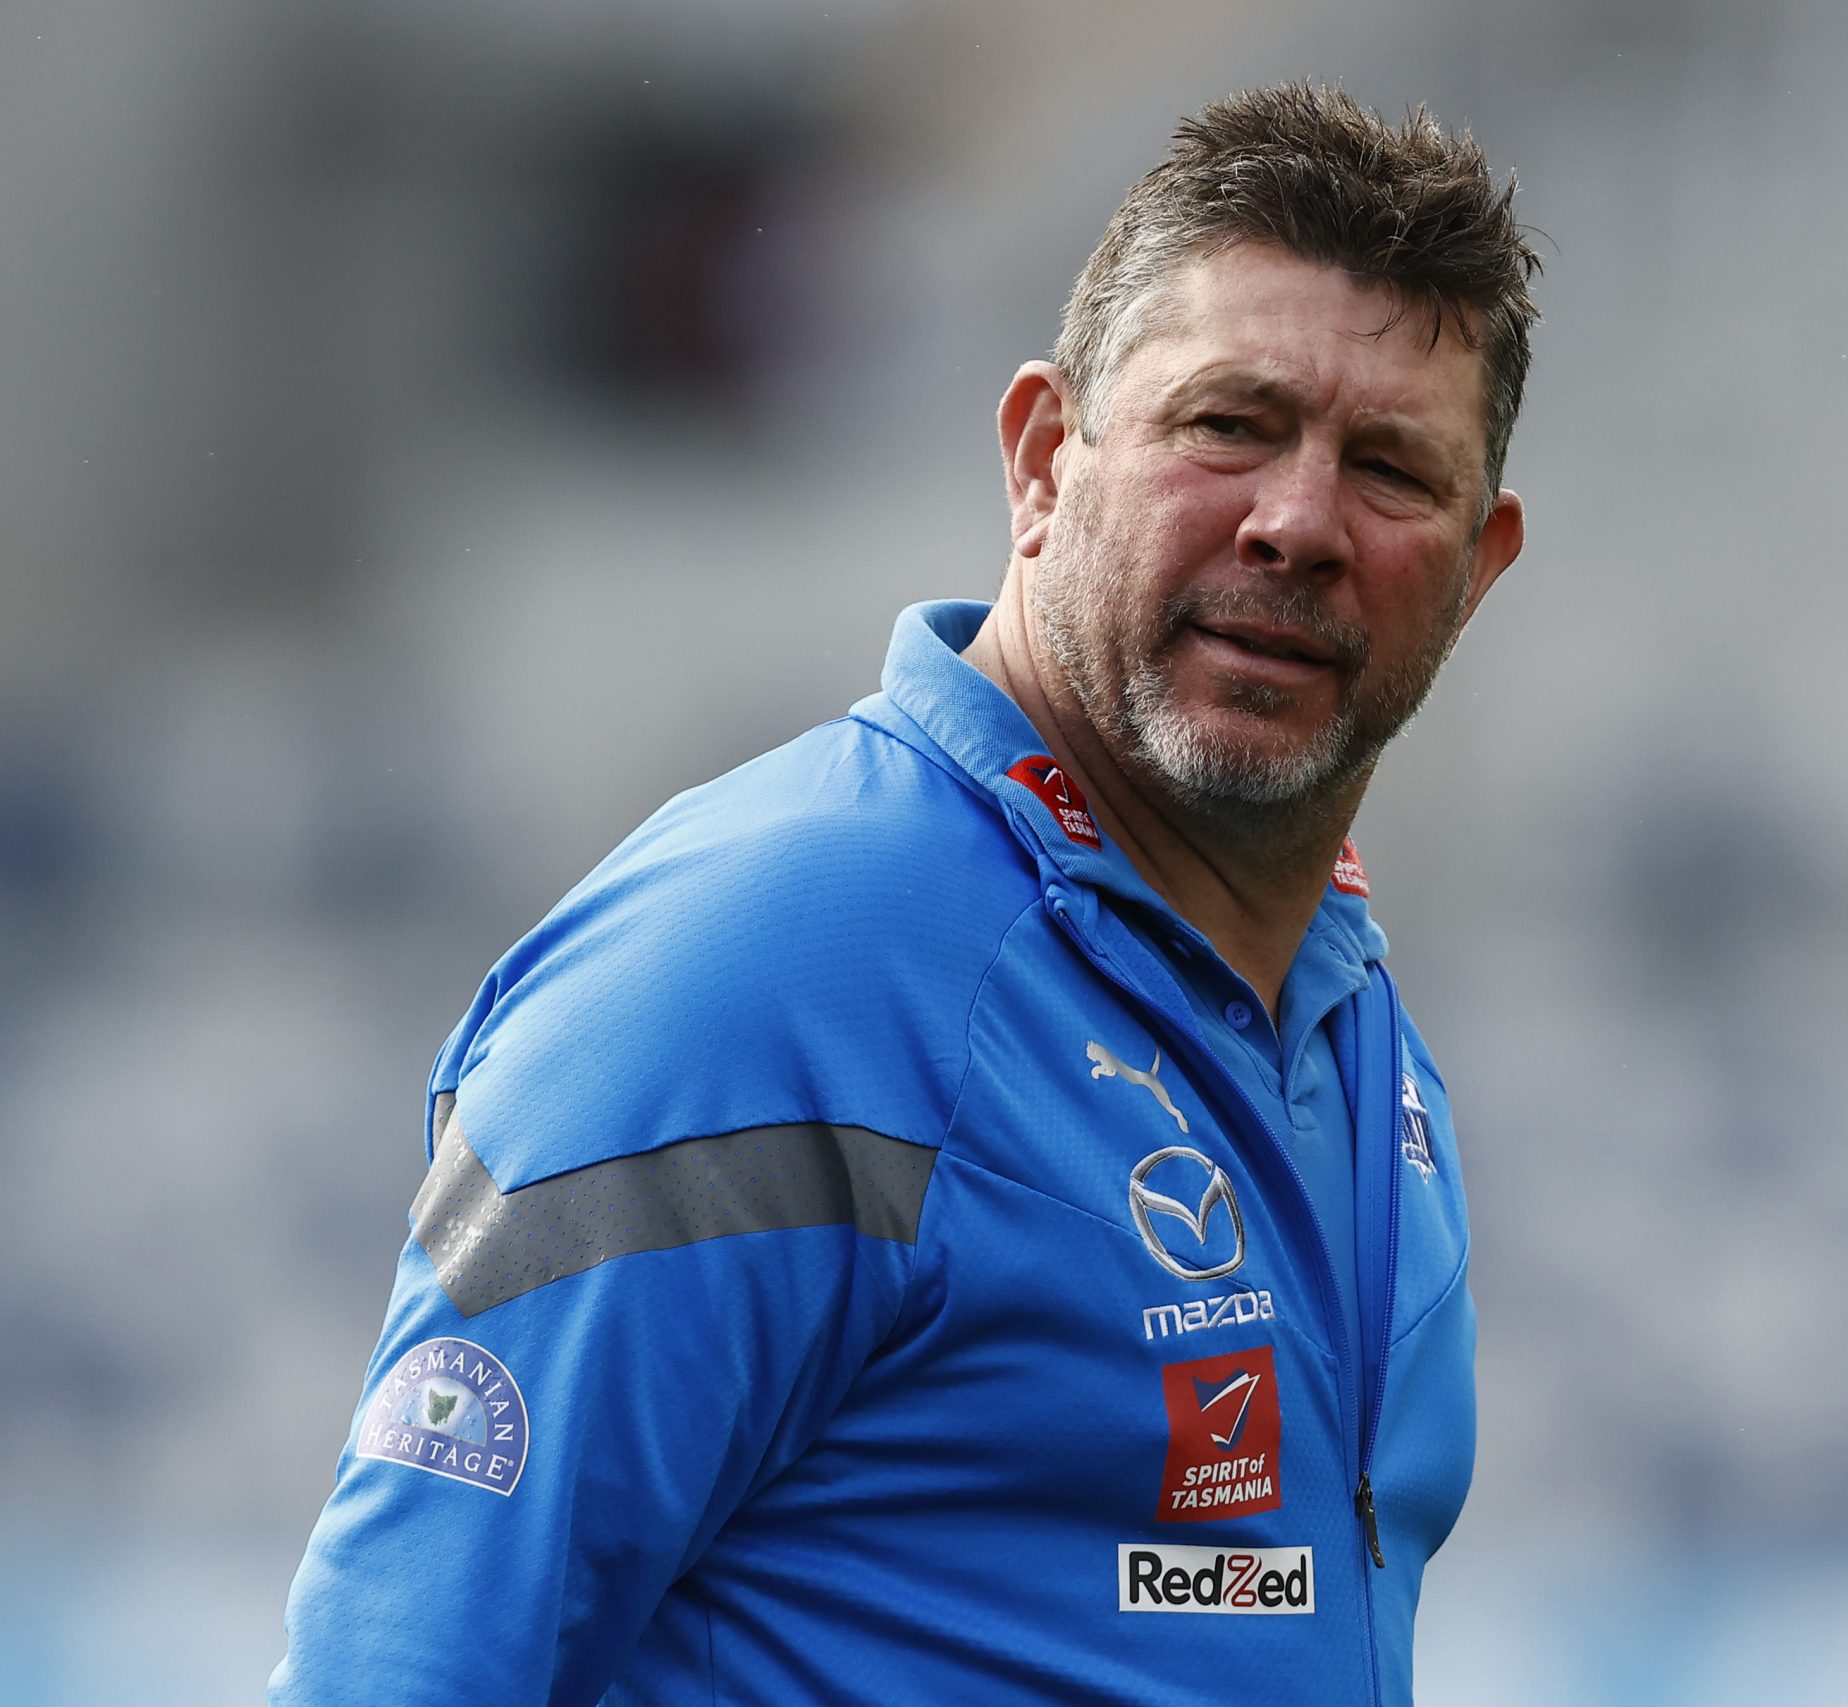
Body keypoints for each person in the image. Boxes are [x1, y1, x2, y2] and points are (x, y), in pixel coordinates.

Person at [272, 80, 1535, 1706]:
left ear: (1479, 564)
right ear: (1040, 460)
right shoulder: (767, 962)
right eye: (1229, 423)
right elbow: (405, 1671)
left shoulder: (1350, 1030)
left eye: (1389, 472)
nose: (1297, 521)